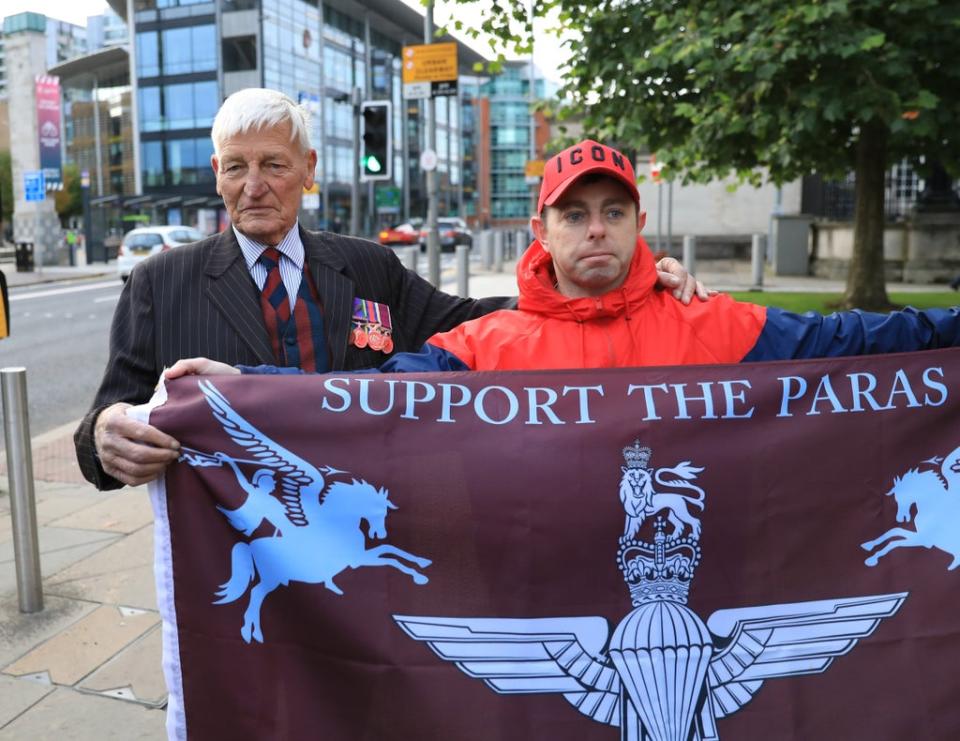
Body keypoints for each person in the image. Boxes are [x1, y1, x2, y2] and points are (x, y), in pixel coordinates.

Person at [77, 93, 703, 491]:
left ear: (309, 171)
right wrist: (106, 434)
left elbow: (478, 323)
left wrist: (619, 286)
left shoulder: (368, 267)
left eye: (274, 164)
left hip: (355, 526)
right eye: (237, 166)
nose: (255, 185)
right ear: (217, 174)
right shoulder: (161, 282)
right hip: (232, 543)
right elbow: (107, 419)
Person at [175, 139, 958, 379]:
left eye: (613, 213)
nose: (596, 231)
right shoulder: (486, 348)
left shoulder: (714, 324)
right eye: (575, 214)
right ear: (540, 231)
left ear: (638, 222)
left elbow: (854, 344)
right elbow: (358, 400)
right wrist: (245, 387)